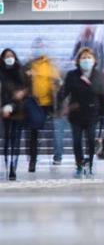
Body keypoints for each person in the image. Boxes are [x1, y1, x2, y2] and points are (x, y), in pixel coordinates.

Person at [58, 48, 104, 177]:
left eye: (89, 57)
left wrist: (103, 112)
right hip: (76, 114)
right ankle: (79, 164)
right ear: (78, 60)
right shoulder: (72, 75)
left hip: (93, 114)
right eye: (83, 57)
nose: (86, 60)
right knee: (77, 141)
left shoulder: (99, 75)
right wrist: (60, 104)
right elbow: (64, 92)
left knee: (91, 140)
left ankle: (90, 163)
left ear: (94, 60)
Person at [24, 38, 61, 171]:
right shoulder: (28, 64)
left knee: (49, 133)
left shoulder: (51, 64)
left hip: (49, 104)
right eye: (36, 46)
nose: (39, 49)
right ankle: (32, 160)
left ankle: (54, 158)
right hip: (34, 103)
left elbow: (57, 81)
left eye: (41, 46)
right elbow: (22, 80)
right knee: (33, 133)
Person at [1, 49, 29, 181]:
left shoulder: (21, 71)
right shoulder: (1, 73)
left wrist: (15, 103)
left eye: (11, 56)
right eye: (7, 56)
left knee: (16, 139)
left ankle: (13, 168)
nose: (9, 58)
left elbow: (26, 90)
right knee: (6, 138)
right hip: (3, 111)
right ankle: (7, 164)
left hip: (18, 110)